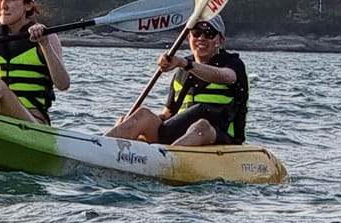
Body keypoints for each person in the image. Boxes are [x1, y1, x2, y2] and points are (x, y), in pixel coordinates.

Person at [106, 15, 248, 147]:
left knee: (201, 126)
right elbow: (167, 114)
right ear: (188, 36)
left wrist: (185, 64)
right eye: (196, 32)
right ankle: (103, 146)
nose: (202, 38)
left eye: (210, 34)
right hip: (179, 136)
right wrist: (132, 123)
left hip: (219, 137)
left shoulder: (233, 63)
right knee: (143, 114)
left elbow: (226, 76)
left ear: (221, 40)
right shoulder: (182, 71)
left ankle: (166, 160)